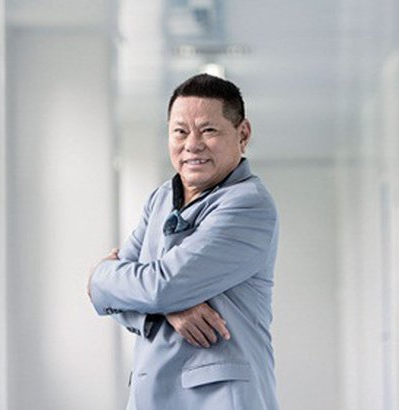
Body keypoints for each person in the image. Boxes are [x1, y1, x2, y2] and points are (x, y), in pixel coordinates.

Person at [87, 73, 280, 409]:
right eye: (180, 131)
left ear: (243, 134)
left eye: (208, 130)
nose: (192, 144)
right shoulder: (161, 198)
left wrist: (102, 275)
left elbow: (162, 285)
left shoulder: (248, 204)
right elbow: (111, 296)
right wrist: (165, 310)